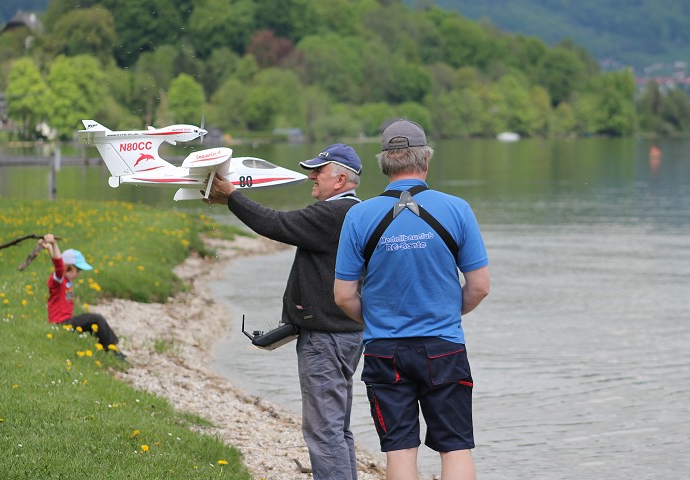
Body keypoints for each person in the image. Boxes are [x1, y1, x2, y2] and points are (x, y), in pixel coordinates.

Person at [333, 120, 490, 480]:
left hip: (384, 351)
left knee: (400, 450)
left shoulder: (358, 215)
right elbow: (479, 286)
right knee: (455, 446)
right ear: (426, 160)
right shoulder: (457, 209)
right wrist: (450, 312)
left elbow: (343, 295)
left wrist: (376, 320)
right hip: (444, 348)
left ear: (384, 163)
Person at [202, 144, 365, 480]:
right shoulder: (358, 212)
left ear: (342, 178)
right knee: (338, 428)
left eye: (319, 170)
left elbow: (276, 223)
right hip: (347, 334)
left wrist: (231, 195)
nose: (312, 175)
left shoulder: (333, 215)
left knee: (324, 431)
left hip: (325, 338)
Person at [38, 234, 125, 360]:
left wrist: (49, 248)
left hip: (67, 321)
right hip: (61, 324)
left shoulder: (66, 280)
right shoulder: (57, 281)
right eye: (77, 271)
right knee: (97, 318)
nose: (78, 274)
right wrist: (54, 244)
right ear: (69, 267)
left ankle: (109, 350)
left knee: (93, 323)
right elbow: (59, 265)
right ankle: (112, 350)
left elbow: (58, 261)